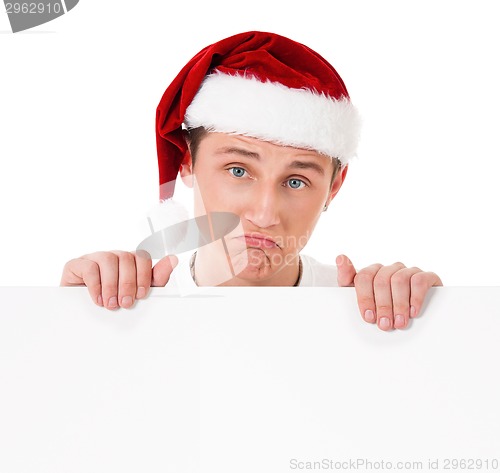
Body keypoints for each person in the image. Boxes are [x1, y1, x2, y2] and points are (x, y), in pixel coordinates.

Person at [60, 31, 442, 331]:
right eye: (239, 171)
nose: (264, 213)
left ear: (334, 187)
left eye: (295, 181)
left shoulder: (364, 309)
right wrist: (68, 320)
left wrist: (433, 324)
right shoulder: (130, 303)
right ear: (188, 165)